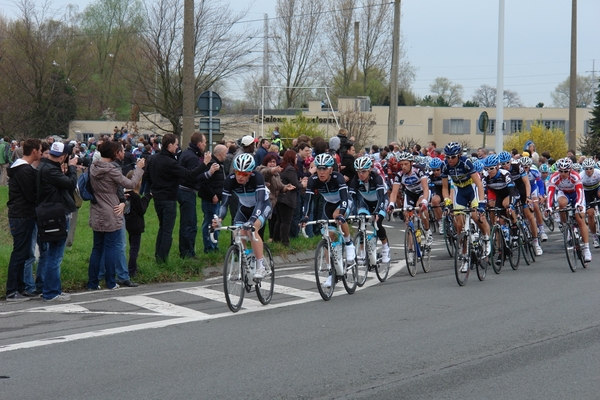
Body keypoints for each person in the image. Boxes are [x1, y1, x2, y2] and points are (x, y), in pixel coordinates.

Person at [145, 133, 218, 262]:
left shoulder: (153, 158)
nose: (178, 147)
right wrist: (205, 164)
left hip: (158, 198)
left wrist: (152, 190)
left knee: (162, 228)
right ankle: (162, 260)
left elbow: (147, 177)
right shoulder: (170, 162)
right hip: (168, 198)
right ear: (170, 145)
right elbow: (189, 175)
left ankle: (159, 256)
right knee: (168, 230)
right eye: (176, 144)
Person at [86, 141, 145, 291]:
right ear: (113, 152)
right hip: (111, 210)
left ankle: (93, 282)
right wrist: (138, 169)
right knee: (111, 247)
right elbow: (131, 184)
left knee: (97, 248)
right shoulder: (111, 170)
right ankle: (111, 282)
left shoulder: (93, 166)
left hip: (96, 209)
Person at [300, 153, 356, 288]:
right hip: (329, 205)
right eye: (319, 168)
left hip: (343, 203)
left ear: (331, 169)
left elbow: (344, 199)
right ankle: (331, 272)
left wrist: (342, 213)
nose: (321, 172)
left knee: (338, 216)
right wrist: (305, 216)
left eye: (324, 169)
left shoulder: (338, 178)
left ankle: (349, 244)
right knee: (328, 236)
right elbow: (308, 201)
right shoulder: (313, 180)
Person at [214, 154, 272, 279]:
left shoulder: (257, 178)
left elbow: (260, 202)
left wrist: (251, 221)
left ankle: (260, 265)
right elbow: (224, 204)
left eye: (245, 174)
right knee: (237, 233)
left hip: (262, 207)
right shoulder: (230, 180)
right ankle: (247, 259)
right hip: (244, 208)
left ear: (250, 173)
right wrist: (219, 218)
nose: (240, 177)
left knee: (252, 229)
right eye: (238, 173)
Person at [37, 141, 79, 301]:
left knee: (50, 254)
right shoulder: (51, 171)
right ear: (62, 157)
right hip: (56, 214)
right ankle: (51, 292)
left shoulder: (44, 166)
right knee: (55, 255)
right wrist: (73, 168)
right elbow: (70, 184)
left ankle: (48, 288)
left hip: (48, 213)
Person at [441, 142, 490, 273]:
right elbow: (445, 187)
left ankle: (486, 238)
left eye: (453, 157)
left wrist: (481, 204)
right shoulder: (445, 165)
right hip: (459, 191)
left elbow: (479, 184)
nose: (450, 160)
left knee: (475, 215)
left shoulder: (466, 162)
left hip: (471, 189)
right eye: (448, 157)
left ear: (459, 155)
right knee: (459, 224)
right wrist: (447, 202)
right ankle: (464, 257)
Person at [5, 139, 42, 301]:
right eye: (40, 150)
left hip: (21, 214)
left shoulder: (20, 168)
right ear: (34, 151)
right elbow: (31, 195)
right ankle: (12, 290)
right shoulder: (25, 171)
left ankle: (19, 288)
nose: (41, 153)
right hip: (22, 215)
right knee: (19, 253)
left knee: (22, 252)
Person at [546, 158, 592, 262]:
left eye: (565, 171)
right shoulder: (554, 177)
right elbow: (550, 194)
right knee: (561, 204)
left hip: (576, 194)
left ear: (570, 170)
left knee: (580, 219)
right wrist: (549, 206)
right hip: (563, 193)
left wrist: (578, 204)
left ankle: (586, 249)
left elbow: (580, 191)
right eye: (560, 171)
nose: (563, 173)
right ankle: (565, 225)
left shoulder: (575, 176)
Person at [349, 156, 391, 263]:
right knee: (361, 222)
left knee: (377, 223)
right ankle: (362, 252)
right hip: (366, 202)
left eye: (363, 171)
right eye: (358, 172)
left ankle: (385, 247)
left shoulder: (376, 177)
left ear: (369, 170)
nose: (361, 174)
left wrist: (377, 211)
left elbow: (381, 197)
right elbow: (351, 197)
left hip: (380, 201)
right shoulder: (355, 179)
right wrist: (348, 211)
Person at [388, 152, 433, 247]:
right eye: (401, 164)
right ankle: (410, 249)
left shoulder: (418, 170)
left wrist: (425, 201)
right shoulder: (399, 175)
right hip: (410, 194)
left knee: (420, 207)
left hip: (422, 192)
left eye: (406, 164)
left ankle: (427, 231)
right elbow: (394, 192)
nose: (403, 167)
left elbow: (425, 188)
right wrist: (391, 204)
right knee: (407, 217)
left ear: (411, 163)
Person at [177, 132, 211, 259]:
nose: (206, 144)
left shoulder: (188, 153)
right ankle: (187, 253)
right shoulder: (191, 157)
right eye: (205, 142)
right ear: (199, 143)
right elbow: (193, 176)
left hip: (185, 191)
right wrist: (207, 170)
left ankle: (188, 251)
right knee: (189, 224)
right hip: (186, 192)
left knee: (190, 223)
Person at [199, 144, 227, 253]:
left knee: (216, 223)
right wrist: (212, 195)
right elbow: (204, 182)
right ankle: (209, 247)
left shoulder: (219, 164)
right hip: (210, 199)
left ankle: (214, 245)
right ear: (220, 154)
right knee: (210, 223)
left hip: (216, 198)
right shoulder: (212, 165)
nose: (226, 155)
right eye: (225, 153)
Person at [125, 171, 153, 278]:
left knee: (132, 245)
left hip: (128, 223)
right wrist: (147, 197)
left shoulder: (125, 195)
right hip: (136, 224)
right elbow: (141, 209)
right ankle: (132, 269)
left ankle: (133, 267)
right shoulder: (135, 196)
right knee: (134, 248)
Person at [273, 150, 301, 246]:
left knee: (280, 220)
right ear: (292, 158)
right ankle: (285, 242)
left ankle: (276, 240)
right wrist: (304, 184)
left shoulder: (282, 167)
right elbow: (295, 185)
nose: (297, 158)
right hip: (287, 199)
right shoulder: (290, 169)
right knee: (286, 221)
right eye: (296, 157)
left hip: (280, 197)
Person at [257, 153, 284, 241]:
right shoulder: (261, 169)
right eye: (270, 162)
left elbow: (280, 186)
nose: (272, 164)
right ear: (265, 162)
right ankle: (259, 240)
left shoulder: (277, 174)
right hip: (262, 201)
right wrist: (272, 170)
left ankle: (271, 237)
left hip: (272, 201)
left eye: (274, 162)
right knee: (261, 221)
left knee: (272, 219)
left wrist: (285, 187)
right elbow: (266, 173)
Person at [580, 158, 600, 248]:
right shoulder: (581, 176)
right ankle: (594, 236)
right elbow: (579, 190)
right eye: (586, 169)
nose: (589, 171)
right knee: (590, 214)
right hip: (586, 192)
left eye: (590, 168)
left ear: (593, 168)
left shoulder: (598, 172)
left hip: (597, 189)